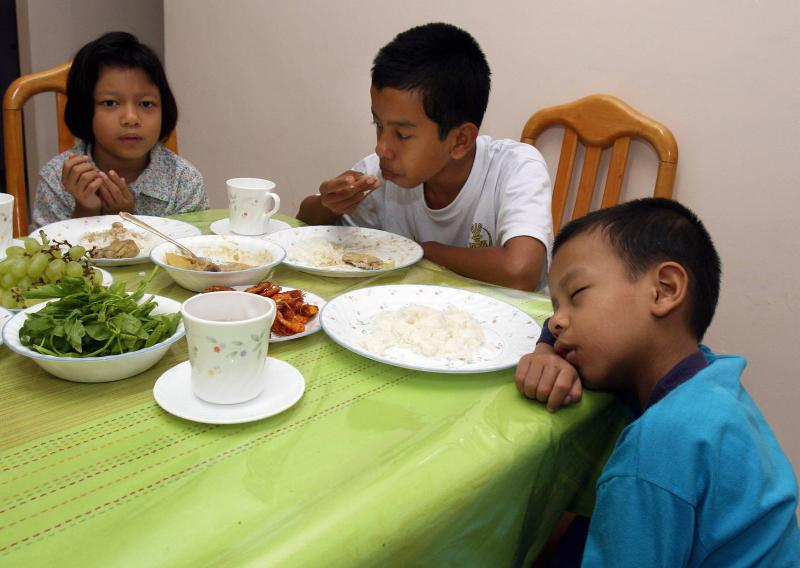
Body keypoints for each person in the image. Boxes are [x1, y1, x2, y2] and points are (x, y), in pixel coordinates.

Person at [518, 198, 799, 566]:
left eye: (577, 295)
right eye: (555, 307)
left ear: (664, 290)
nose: (556, 322)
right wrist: (547, 349)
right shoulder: (713, 380)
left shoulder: (658, 445)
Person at [297, 23, 552, 291]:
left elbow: (521, 271)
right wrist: (329, 203)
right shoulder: (381, 173)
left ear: (460, 140)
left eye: (402, 135)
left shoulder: (515, 167)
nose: (382, 148)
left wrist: (421, 251)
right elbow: (304, 222)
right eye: (378, 125)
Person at [32, 31, 208, 229]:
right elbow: (46, 255)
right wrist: (85, 211)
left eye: (146, 104)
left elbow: (190, 253)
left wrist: (126, 221)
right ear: (85, 109)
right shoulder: (57, 179)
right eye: (110, 103)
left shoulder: (184, 182)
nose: (131, 118)